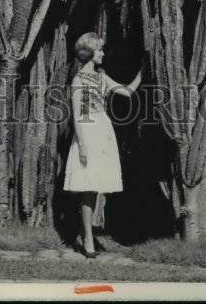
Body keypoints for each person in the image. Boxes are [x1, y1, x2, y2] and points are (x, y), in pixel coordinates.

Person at [64, 32, 141, 258]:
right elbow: (77, 115)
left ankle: (84, 233)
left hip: (103, 132)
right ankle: (88, 238)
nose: (103, 53)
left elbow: (127, 92)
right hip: (88, 132)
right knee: (88, 188)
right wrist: (82, 145)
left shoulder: (102, 77)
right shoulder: (78, 80)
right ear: (89, 52)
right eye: (99, 50)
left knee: (96, 187)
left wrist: (142, 72)